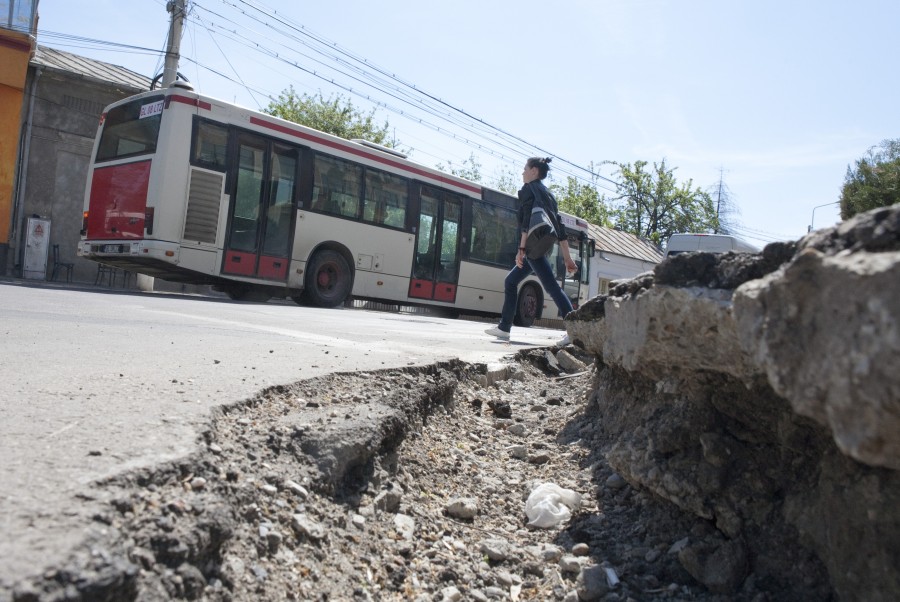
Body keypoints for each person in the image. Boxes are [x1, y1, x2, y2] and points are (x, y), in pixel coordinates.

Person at [485, 157, 576, 345]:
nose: (522, 172)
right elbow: (559, 226)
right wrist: (567, 257)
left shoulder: (529, 190)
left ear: (534, 171)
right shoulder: (548, 194)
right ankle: (504, 328)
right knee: (511, 281)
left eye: (525, 168)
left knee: (552, 287)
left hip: (531, 247)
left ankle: (574, 330)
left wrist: (521, 249)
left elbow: (526, 221)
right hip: (541, 246)